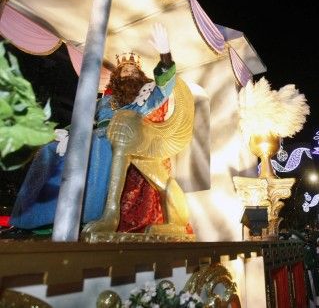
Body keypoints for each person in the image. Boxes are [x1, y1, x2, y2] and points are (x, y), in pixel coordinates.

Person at [9, 23, 191, 235]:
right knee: (49, 150)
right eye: (124, 71)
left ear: (139, 77)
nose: (128, 73)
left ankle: (88, 217)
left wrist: (165, 55)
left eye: (133, 71)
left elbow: (163, 89)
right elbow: (85, 118)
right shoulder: (105, 100)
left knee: (99, 147)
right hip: (89, 135)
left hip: (121, 137)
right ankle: (29, 220)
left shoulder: (144, 97)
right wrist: (65, 132)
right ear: (117, 77)